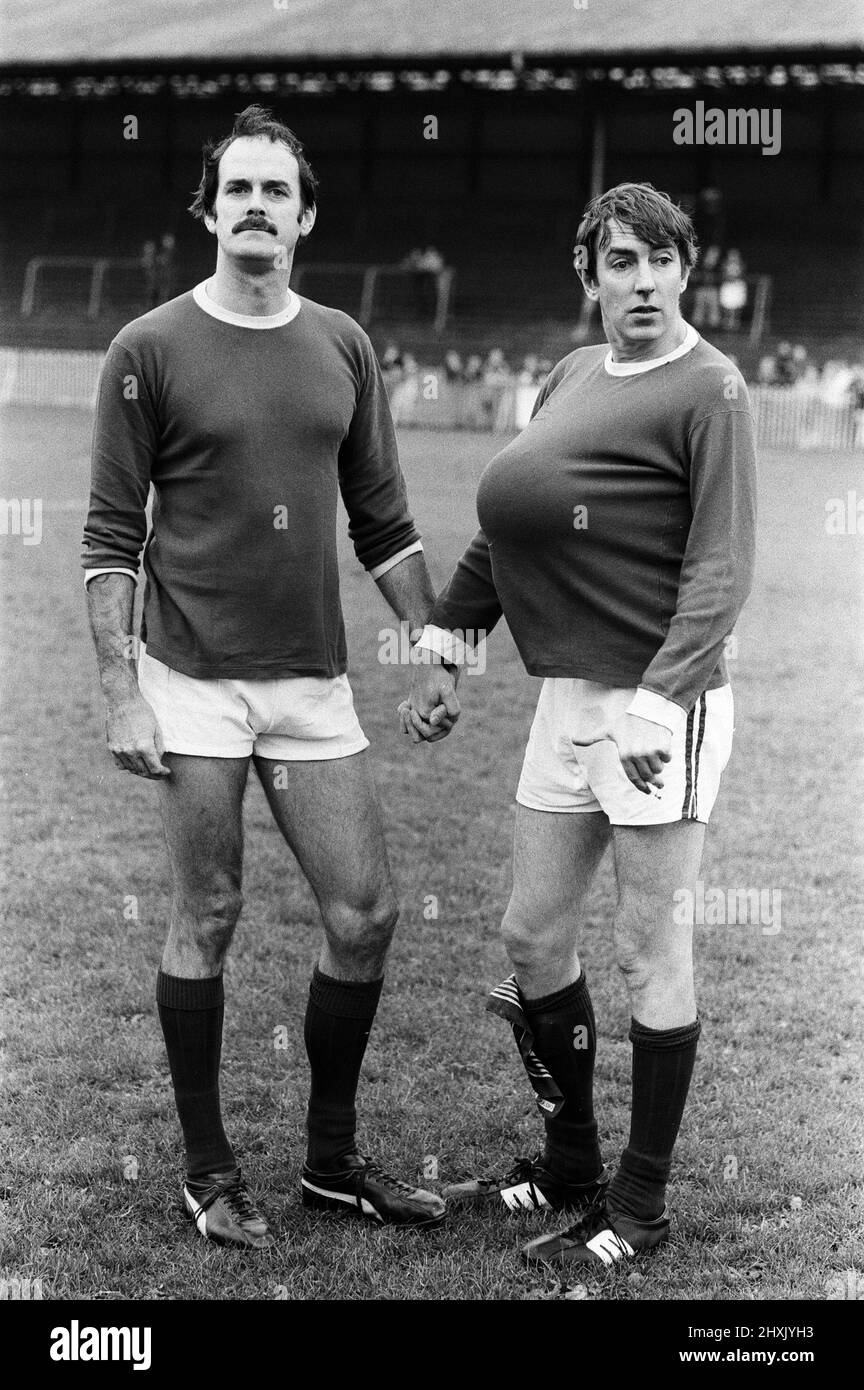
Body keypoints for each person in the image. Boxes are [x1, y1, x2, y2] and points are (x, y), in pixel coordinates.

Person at [82, 104, 445, 1250]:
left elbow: (383, 520)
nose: (254, 206)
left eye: (274, 191)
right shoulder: (146, 349)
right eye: (235, 188)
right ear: (206, 209)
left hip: (311, 684)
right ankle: (205, 1168)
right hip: (191, 679)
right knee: (212, 908)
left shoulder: (343, 343)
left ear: (305, 214)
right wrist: (120, 688)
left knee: (367, 910)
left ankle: (332, 1163)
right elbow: (106, 536)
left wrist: (432, 644)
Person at [403, 181, 757, 1274]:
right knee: (532, 933)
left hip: (660, 700)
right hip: (564, 698)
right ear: (588, 271)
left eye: (660, 261)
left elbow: (723, 566)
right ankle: (570, 1165)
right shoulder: (570, 373)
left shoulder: (715, 389)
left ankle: (640, 1209)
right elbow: (511, 527)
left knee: (651, 948)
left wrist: (660, 699)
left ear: (685, 271)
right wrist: (451, 648)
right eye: (620, 262)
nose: (641, 282)